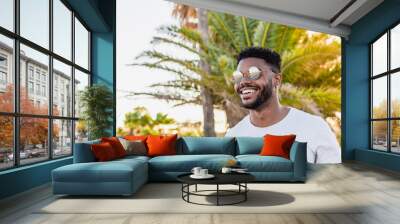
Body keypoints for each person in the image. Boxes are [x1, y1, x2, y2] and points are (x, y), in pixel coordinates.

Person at [225, 47, 341, 164]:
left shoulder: (314, 127)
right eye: (238, 76)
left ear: (277, 79)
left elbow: (334, 178)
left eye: (254, 73)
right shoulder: (233, 136)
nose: (243, 81)